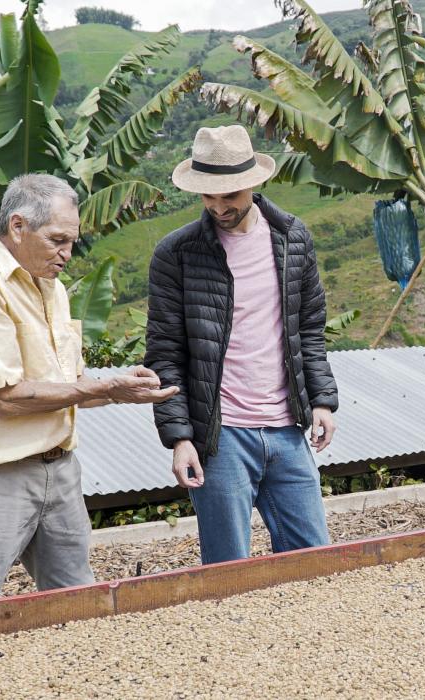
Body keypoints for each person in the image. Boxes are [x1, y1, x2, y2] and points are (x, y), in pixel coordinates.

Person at [0, 173, 176, 607]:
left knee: (76, 599)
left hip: (59, 470)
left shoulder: (50, 287)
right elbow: (7, 397)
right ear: (18, 226)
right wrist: (107, 387)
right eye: (57, 239)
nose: (67, 253)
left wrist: (119, 390)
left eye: (72, 241)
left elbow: (66, 386)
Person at [145, 124, 339, 564]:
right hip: (221, 437)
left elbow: (309, 328)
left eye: (228, 196)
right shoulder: (176, 254)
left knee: (315, 563)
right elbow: (165, 353)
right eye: (207, 196)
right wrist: (179, 438)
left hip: (288, 429)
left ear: (253, 183)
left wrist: (323, 400)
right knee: (228, 571)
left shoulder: (292, 238)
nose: (217, 207)